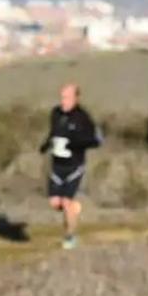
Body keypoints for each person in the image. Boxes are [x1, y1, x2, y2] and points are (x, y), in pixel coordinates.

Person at [39, 83, 101, 249]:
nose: (63, 101)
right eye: (62, 97)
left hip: (74, 166)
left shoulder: (83, 117)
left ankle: (70, 237)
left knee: (66, 202)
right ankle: (73, 208)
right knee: (55, 203)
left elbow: (95, 141)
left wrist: (75, 144)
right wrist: (46, 145)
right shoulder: (56, 113)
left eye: (67, 97)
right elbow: (53, 133)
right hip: (57, 166)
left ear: (76, 98)